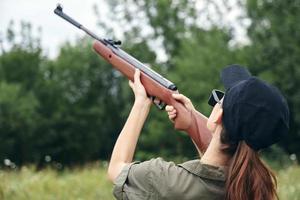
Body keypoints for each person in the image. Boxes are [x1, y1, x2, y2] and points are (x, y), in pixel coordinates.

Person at [107, 65, 289, 200]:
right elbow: (215, 170)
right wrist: (191, 122)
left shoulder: (166, 181)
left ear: (218, 114)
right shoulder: (256, 189)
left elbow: (116, 169)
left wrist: (141, 102)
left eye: (218, 99)